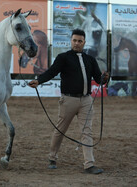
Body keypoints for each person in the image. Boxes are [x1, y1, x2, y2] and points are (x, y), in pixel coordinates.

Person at [29, 29, 109, 174]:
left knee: (87, 132)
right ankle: (52, 157)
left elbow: (98, 79)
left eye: (80, 41)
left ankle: (89, 164)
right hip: (68, 100)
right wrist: (38, 80)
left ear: (84, 42)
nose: (77, 43)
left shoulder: (90, 59)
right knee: (60, 130)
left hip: (86, 100)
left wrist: (105, 78)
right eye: (74, 40)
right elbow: (52, 72)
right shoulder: (63, 57)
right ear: (70, 41)